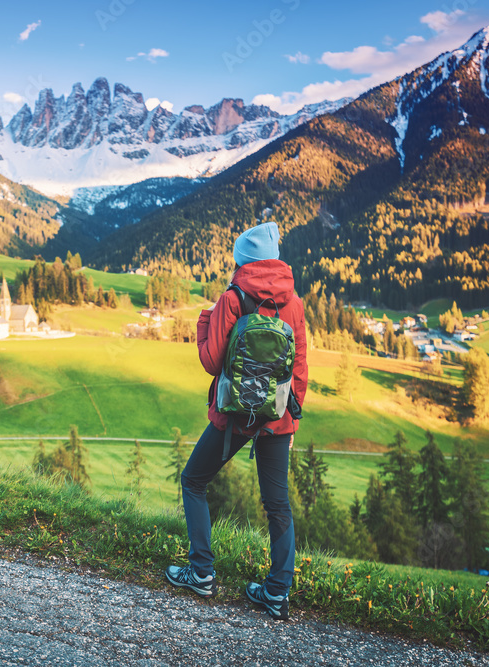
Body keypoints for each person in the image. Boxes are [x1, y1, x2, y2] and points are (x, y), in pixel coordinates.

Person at [164, 221, 308, 621]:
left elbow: (211, 362)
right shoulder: (293, 302)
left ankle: (202, 572)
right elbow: (299, 367)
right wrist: (291, 422)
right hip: (278, 418)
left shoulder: (233, 298)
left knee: (194, 480)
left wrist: (204, 320)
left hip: (235, 415)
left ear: (243, 260)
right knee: (277, 504)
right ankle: (277, 593)